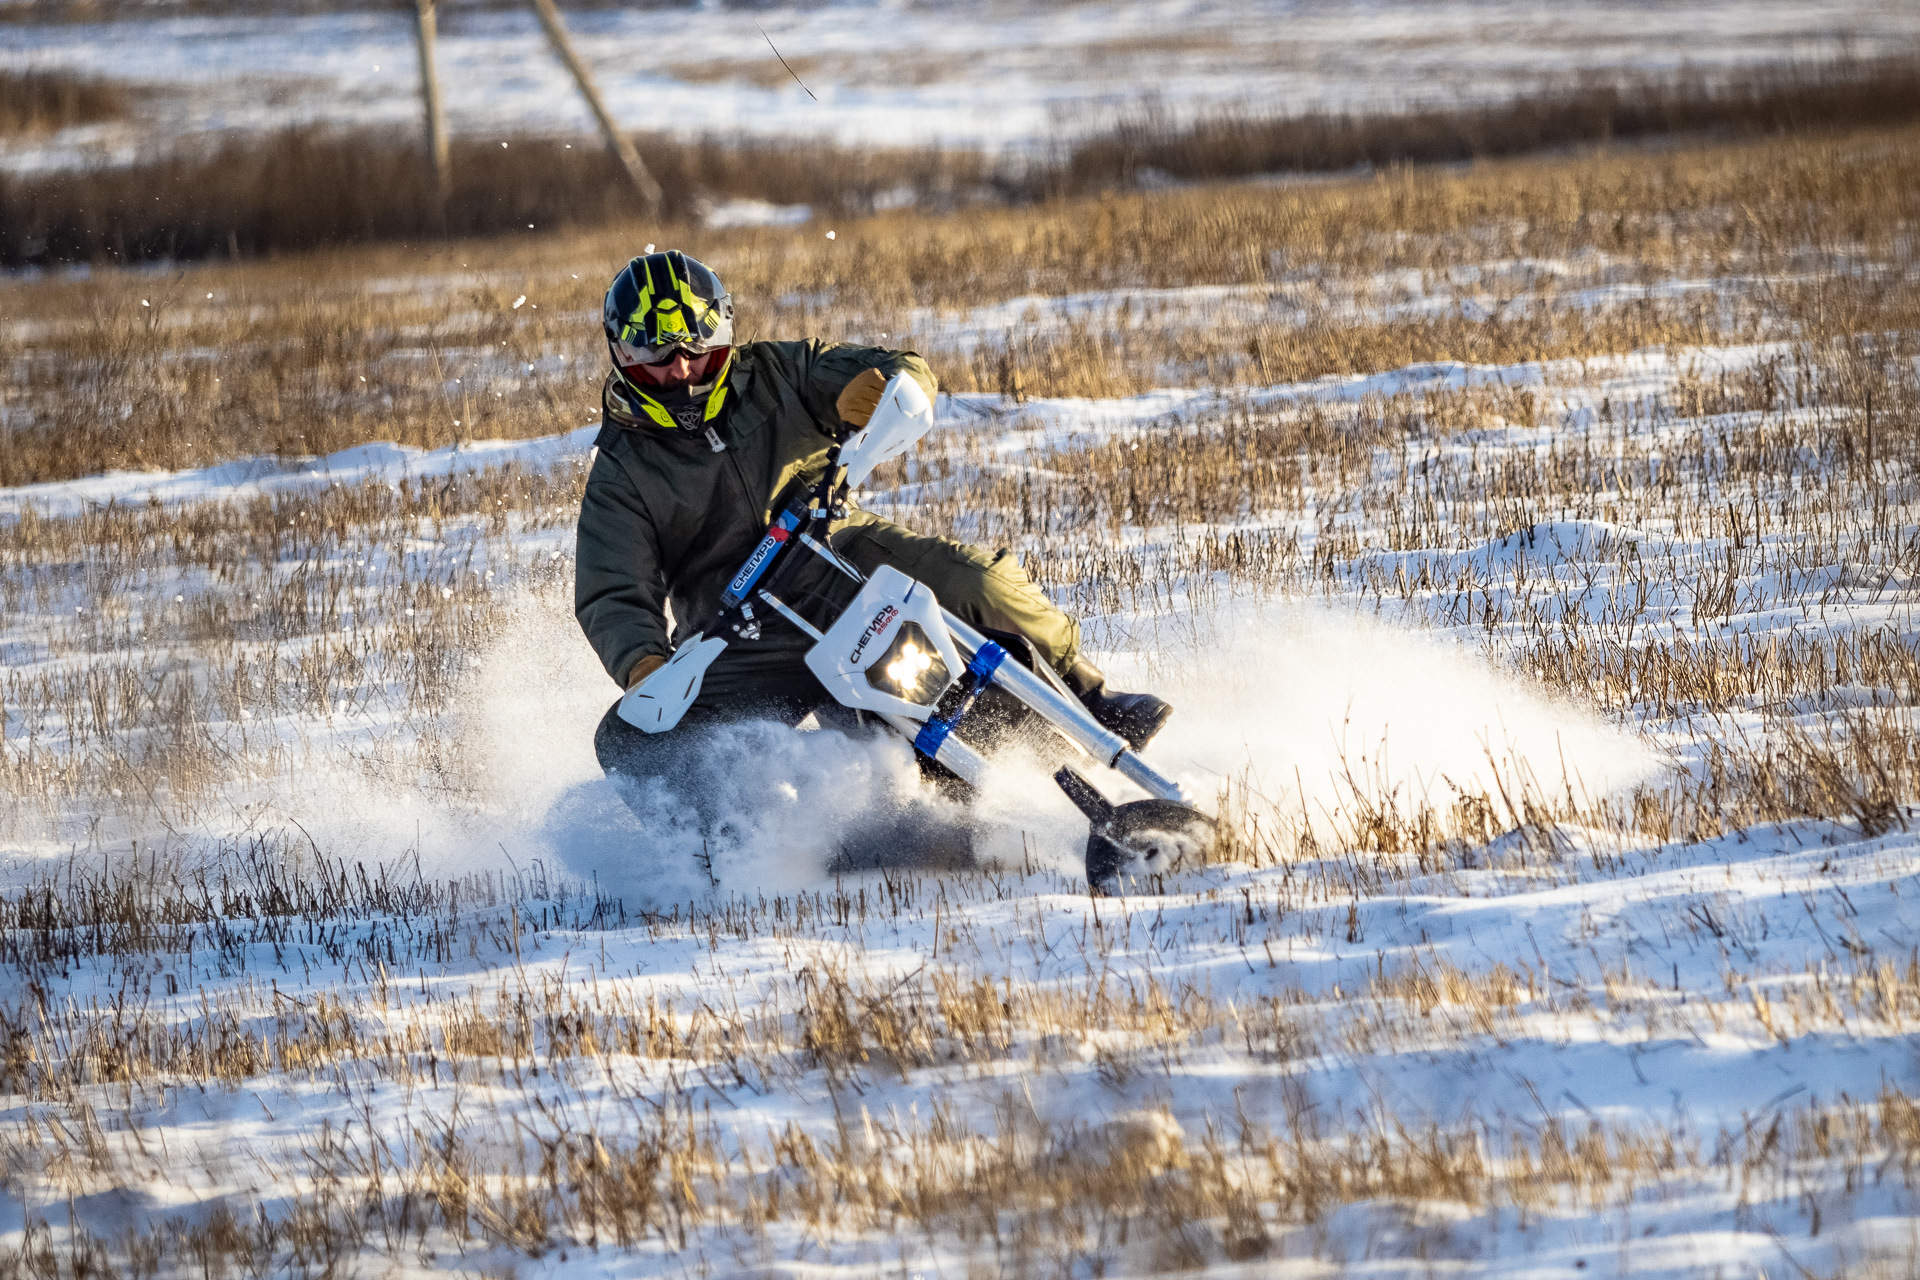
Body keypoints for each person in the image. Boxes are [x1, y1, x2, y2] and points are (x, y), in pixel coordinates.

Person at [575, 250, 1171, 817]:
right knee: (626, 740)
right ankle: (732, 842)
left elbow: (902, 372)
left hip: (843, 555)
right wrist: (644, 664)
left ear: (725, 338)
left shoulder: (781, 370)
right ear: (622, 356)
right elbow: (612, 590)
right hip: (741, 630)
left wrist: (883, 387)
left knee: (981, 581)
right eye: (659, 357)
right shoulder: (621, 469)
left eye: (698, 352)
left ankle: (1090, 700)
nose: (681, 371)